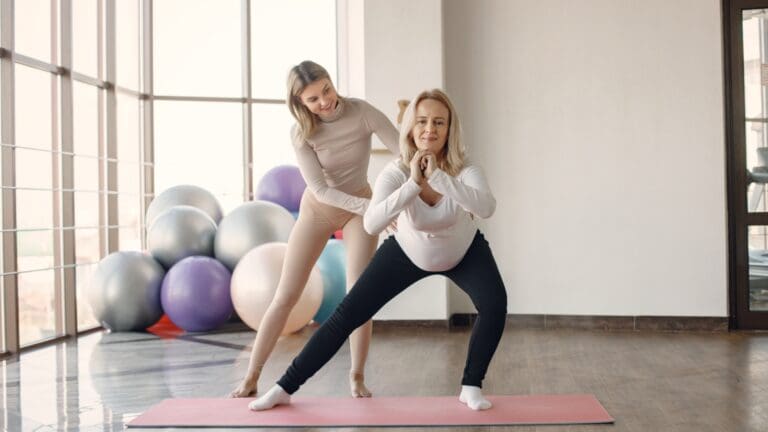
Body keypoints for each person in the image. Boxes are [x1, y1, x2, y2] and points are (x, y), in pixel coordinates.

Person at [248, 89, 507, 412]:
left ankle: (471, 385)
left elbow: (486, 208)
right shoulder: (397, 172)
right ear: (411, 128)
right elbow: (371, 223)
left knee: (495, 305)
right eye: (423, 121)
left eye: (439, 122)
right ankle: (284, 387)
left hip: (463, 250)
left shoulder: (465, 168)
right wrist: (413, 184)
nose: (430, 129)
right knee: (346, 315)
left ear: (450, 128)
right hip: (407, 252)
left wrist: (438, 178)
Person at [229, 60, 399, 399]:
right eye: (313, 99)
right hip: (319, 211)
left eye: (326, 90)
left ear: (331, 82)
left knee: (359, 297)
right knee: (285, 296)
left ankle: (357, 376)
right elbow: (321, 190)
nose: (325, 101)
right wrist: (372, 208)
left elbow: (401, 149)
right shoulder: (302, 133)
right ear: (300, 104)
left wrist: (411, 186)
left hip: (358, 214)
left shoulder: (362, 112)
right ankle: (251, 377)